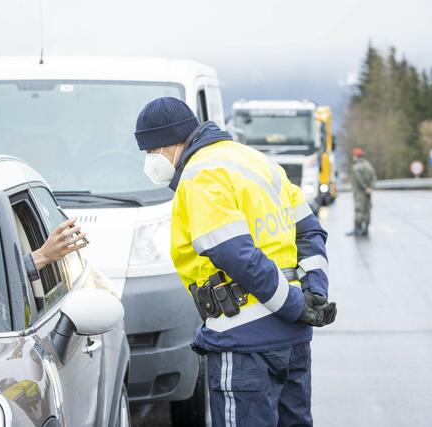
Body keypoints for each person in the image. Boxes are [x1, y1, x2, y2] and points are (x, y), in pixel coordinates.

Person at [133, 97, 336, 427]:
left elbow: (235, 255)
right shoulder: (259, 162)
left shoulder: (201, 175)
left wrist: (295, 304)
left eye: (149, 151)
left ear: (167, 144)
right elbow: (310, 232)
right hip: (294, 339)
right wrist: (315, 293)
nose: (149, 160)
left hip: (244, 342)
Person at [347, 147, 377, 237]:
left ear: (355, 156)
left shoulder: (356, 167)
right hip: (368, 192)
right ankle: (366, 229)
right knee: (367, 209)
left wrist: (364, 187)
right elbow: (374, 177)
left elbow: (359, 180)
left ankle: (357, 229)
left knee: (359, 209)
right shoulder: (368, 165)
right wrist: (370, 187)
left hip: (360, 192)